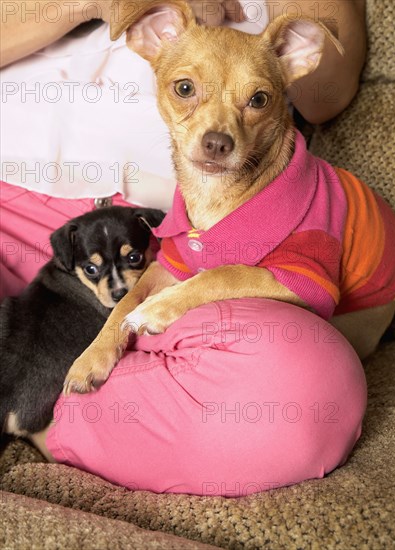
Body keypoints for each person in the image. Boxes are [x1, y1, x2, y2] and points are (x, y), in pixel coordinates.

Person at [0, 0, 368, 496]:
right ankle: (47, 397)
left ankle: (45, 409)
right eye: (186, 90)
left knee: (307, 391)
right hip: (9, 205)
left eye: (254, 100)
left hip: (154, 228)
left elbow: (330, 91)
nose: (217, 129)